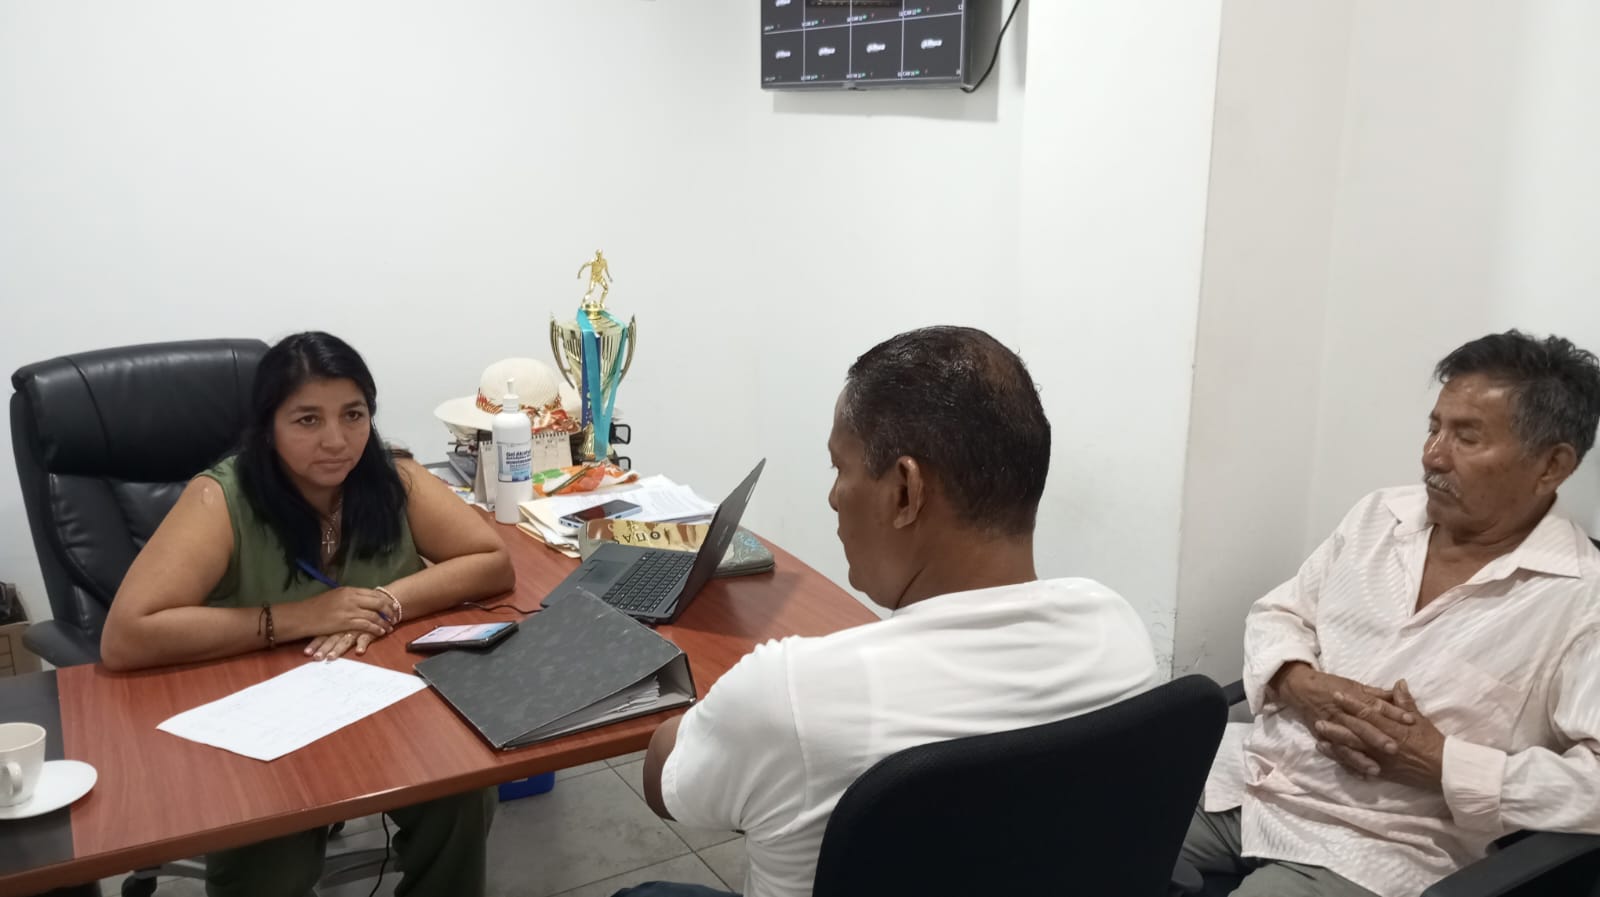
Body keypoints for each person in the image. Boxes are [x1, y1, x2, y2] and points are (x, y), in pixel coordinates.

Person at [618, 326, 1160, 897]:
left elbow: (662, 783)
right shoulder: (1118, 633)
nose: (833, 497)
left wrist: (722, 717)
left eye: (839, 468)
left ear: (905, 491)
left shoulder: (790, 696)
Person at [1184, 330, 1600, 897]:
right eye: (1434, 428)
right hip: (1248, 782)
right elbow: (1279, 611)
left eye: (1466, 437)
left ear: (1551, 465)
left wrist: (1443, 763)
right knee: (1076, 826)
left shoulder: (1582, 599)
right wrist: (1301, 684)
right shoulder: (1380, 516)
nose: (1433, 455)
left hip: (1376, 845)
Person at [101, 331, 513, 897]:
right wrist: (303, 616)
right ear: (268, 425)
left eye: (353, 415)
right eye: (307, 420)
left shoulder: (392, 476)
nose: (337, 440)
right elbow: (127, 636)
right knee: (273, 855)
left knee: (463, 791)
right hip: (257, 716)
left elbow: (491, 562)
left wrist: (387, 602)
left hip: (381, 701)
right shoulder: (222, 498)